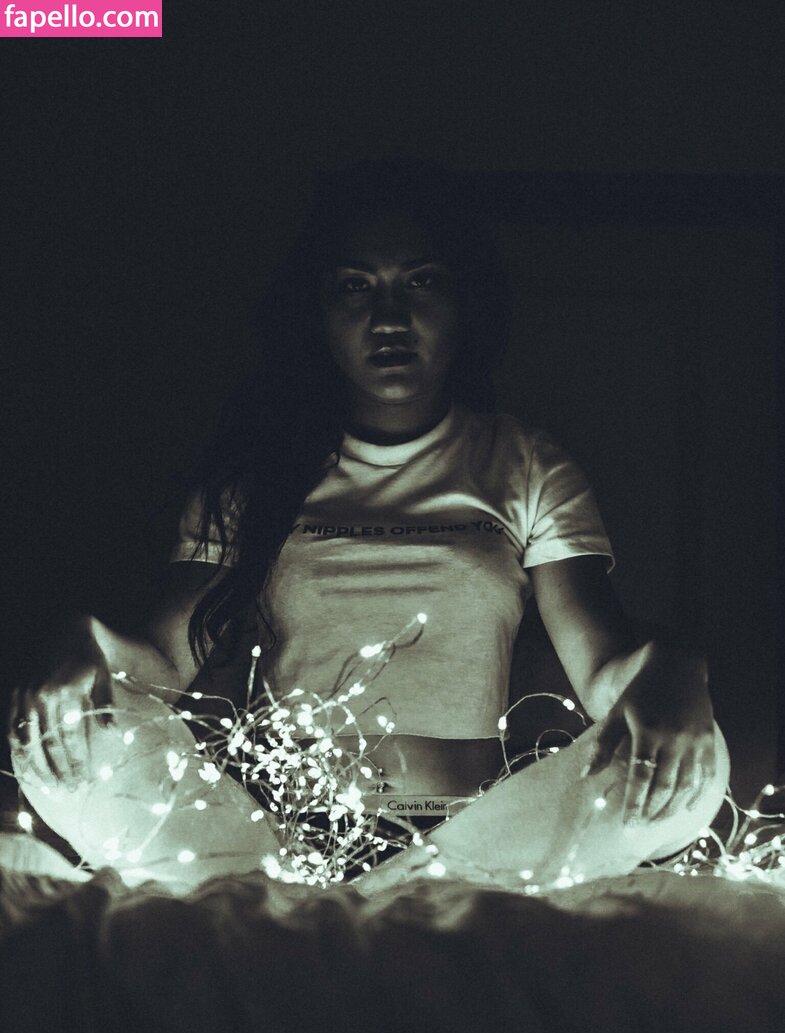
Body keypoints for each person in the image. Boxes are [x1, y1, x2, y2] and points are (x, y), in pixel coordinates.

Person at [7, 160, 729, 894]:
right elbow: (158, 663)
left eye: (420, 282)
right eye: (355, 287)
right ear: (319, 314)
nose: (389, 318)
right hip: (284, 845)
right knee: (59, 734)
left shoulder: (525, 466)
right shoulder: (255, 479)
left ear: (462, 301)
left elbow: (605, 672)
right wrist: (78, 640)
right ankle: (309, 899)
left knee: (695, 766)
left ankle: (377, 899)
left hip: (473, 847)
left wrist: (678, 671)